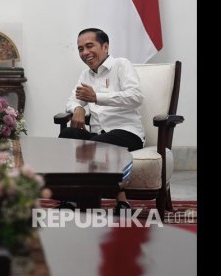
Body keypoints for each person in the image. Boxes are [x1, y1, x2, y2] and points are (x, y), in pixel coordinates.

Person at [58, 28, 145, 214]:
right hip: (98, 136)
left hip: (127, 132)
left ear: (105, 46)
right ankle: (73, 197)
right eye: (80, 49)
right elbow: (71, 100)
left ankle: (118, 200)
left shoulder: (121, 65)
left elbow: (136, 97)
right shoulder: (85, 75)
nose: (85, 53)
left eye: (90, 46)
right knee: (68, 134)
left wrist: (97, 97)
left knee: (93, 146)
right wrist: (79, 108)